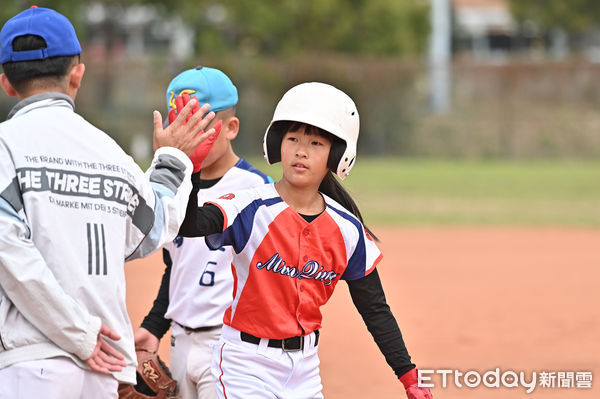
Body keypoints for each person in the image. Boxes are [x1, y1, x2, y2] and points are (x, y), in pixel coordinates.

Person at [0, 7, 217, 399]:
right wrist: (173, 158)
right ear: (77, 74)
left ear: (6, 83)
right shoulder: (109, 153)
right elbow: (152, 230)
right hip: (107, 369)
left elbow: (10, 254)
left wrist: (80, 334)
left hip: (31, 362)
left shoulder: (4, 146)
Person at [177, 82, 433, 398]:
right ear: (277, 143)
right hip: (244, 364)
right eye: (293, 138)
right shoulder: (249, 207)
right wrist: (193, 170)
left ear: (337, 155)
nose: (301, 150)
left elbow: (375, 308)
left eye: (315, 143)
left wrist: (408, 376)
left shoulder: (346, 228)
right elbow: (189, 225)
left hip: (305, 370)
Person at [133, 66, 272, 399]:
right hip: (180, 341)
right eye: (179, 124)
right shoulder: (170, 187)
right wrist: (154, 327)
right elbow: (178, 265)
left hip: (229, 345)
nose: (187, 136)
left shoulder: (256, 190)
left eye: (199, 125)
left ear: (231, 128)